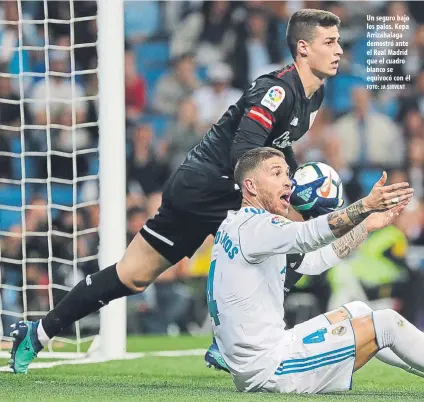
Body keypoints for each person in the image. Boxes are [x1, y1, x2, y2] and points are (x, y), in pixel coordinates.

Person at [10, 9, 344, 373]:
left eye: (338, 40)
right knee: (282, 244)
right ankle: (227, 341)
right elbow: (243, 152)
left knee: (131, 275)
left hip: (219, 186)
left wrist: (292, 179)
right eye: (329, 42)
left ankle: (38, 332)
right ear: (303, 48)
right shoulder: (276, 91)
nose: (339, 49)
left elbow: (277, 144)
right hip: (208, 184)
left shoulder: (314, 97)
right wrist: (284, 195)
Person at [207, 147, 421, 394]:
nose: (288, 182)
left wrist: (366, 226)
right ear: (251, 186)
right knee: (387, 323)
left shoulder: (235, 224)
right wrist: (364, 206)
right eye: (276, 174)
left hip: (265, 357)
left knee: (359, 310)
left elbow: (314, 261)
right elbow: (309, 235)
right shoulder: (258, 227)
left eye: (287, 174)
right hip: (272, 369)